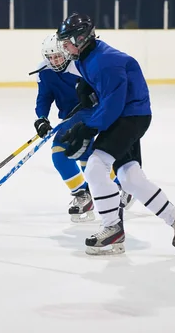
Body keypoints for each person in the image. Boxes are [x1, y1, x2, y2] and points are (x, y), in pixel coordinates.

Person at [56, 13, 175, 255]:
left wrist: (88, 127)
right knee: (130, 178)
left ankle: (112, 229)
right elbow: (105, 95)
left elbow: (113, 105)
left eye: (67, 41)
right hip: (128, 115)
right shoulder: (85, 55)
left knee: (95, 167)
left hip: (129, 117)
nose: (64, 46)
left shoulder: (105, 62)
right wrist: (87, 89)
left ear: (81, 38)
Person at [33, 33, 135, 223]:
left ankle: (118, 185)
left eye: (58, 56)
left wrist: (93, 97)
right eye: (51, 57)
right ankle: (84, 194)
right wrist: (42, 118)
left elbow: (106, 89)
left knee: (84, 156)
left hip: (93, 114)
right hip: (69, 118)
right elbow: (44, 96)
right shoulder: (45, 71)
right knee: (64, 156)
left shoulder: (81, 65)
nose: (54, 61)